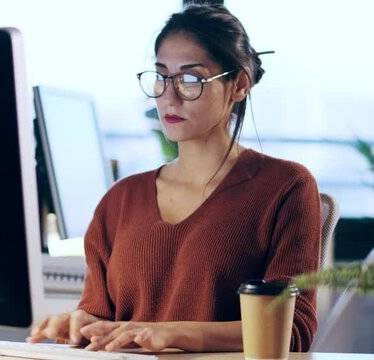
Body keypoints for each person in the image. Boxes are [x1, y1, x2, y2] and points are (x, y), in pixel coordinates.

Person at [27, 3, 321, 353]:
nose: (168, 97)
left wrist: (172, 334)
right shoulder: (120, 200)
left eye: (190, 79)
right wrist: (78, 324)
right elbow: (99, 319)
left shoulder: (285, 187)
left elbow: (292, 329)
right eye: (161, 76)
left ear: (239, 84)